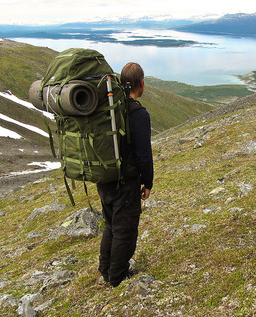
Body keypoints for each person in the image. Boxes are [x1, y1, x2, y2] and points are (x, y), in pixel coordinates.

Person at [96, 62, 153, 287]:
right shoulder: (138, 114)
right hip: (126, 182)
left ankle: (105, 268)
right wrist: (147, 182)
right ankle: (117, 276)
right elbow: (144, 155)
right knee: (125, 230)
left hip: (105, 178)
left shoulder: (108, 110)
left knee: (111, 223)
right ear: (140, 83)